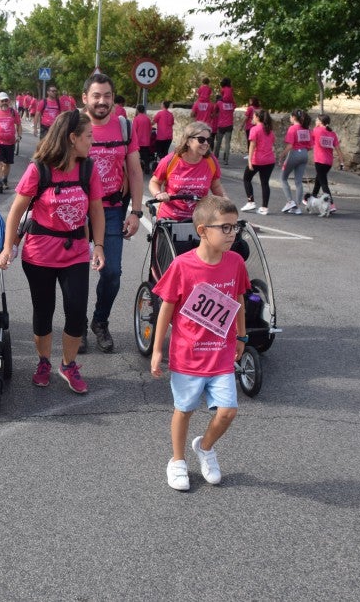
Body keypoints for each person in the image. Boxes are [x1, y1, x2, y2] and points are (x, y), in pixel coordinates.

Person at [0, 109, 106, 395]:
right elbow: (15, 212)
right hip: (40, 253)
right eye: (88, 136)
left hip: (76, 251)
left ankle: (68, 364)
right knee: (43, 311)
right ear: (72, 138)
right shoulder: (40, 168)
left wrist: (99, 246)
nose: (92, 142)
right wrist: (8, 247)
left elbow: (96, 210)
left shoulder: (88, 168)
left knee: (75, 311)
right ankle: (43, 361)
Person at [150, 195, 250, 491]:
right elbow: (166, 309)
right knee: (185, 408)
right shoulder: (182, 266)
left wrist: (242, 336)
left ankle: (204, 447)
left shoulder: (235, 262)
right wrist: (157, 350)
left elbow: (240, 299)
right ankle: (177, 460)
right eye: (226, 228)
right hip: (188, 355)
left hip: (221, 354)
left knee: (228, 411)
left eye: (235, 227)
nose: (232, 234)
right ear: (203, 230)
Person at [81, 73, 145, 354]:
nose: (102, 101)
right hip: (74, 210)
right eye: (96, 95)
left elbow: (134, 171)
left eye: (107, 95)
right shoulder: (74, 125)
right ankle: (76, 327)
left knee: (112, 273)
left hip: (111, 210)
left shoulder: (124, 128)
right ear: (85, 98)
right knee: (76, 274)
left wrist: (137, 212)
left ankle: (100, 322)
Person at [149, 121, 226, 220]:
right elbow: (154, 182)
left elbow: (216, 186)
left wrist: (225, 203)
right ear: (188, 141)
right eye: (201, 140)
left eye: (209, 140)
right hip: (170, 218)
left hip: (198, 219)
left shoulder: (211, 161)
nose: (206, 143)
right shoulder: (171, 160)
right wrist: (159, 194)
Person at [239, 109, 276, 215]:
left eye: (253, 116)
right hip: (269, 160)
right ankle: (264, 208)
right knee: (265, 183)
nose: (252, 118)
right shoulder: (269, 130)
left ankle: (251, 202)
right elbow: (272, 144)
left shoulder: (254, 129)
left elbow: (252, 146)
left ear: (258, 118)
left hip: (258, 159)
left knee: (246, 179)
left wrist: (249, 161)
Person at [279, 109, 312, 214]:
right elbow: (310, 146)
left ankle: (290, 201)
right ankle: (297, 207)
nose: (289, 118)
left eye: (290, 116)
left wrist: (282, 155)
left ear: (293, 117)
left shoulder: (292, 128)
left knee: (283, 178)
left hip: (294, 153)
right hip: (304, 154)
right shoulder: (306, 129)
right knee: (298, 181)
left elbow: (290, 145)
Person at [310, 114, 345, 211]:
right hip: (328, 162)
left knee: (324, 183)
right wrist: (342, 162)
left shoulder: (316, 130)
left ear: (320, 122)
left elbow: (310, 142)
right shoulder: (332, 134)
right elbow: (338, 149)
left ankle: (331, 204)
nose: (315, 121)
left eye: (316, 120)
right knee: (318, 180)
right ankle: (312, 197)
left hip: (319, 160)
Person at [214, 78, 236, 164]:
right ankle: (226, 160)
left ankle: (215, 157)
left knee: (218, 143)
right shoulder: (232, 104)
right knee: (227, 144)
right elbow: (234, 105)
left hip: (221, 125)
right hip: (229, 125)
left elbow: (215, 111)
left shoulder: (219, 103)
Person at [133, 104, 154, 174]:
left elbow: (134, 131)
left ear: (137, 110)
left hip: (138, 141)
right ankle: (147, 167)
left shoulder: (136, 119)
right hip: (146, 141)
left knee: (137, 156)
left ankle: (138, 168)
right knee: (146, 155)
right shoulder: (147, 119)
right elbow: (150, 129)